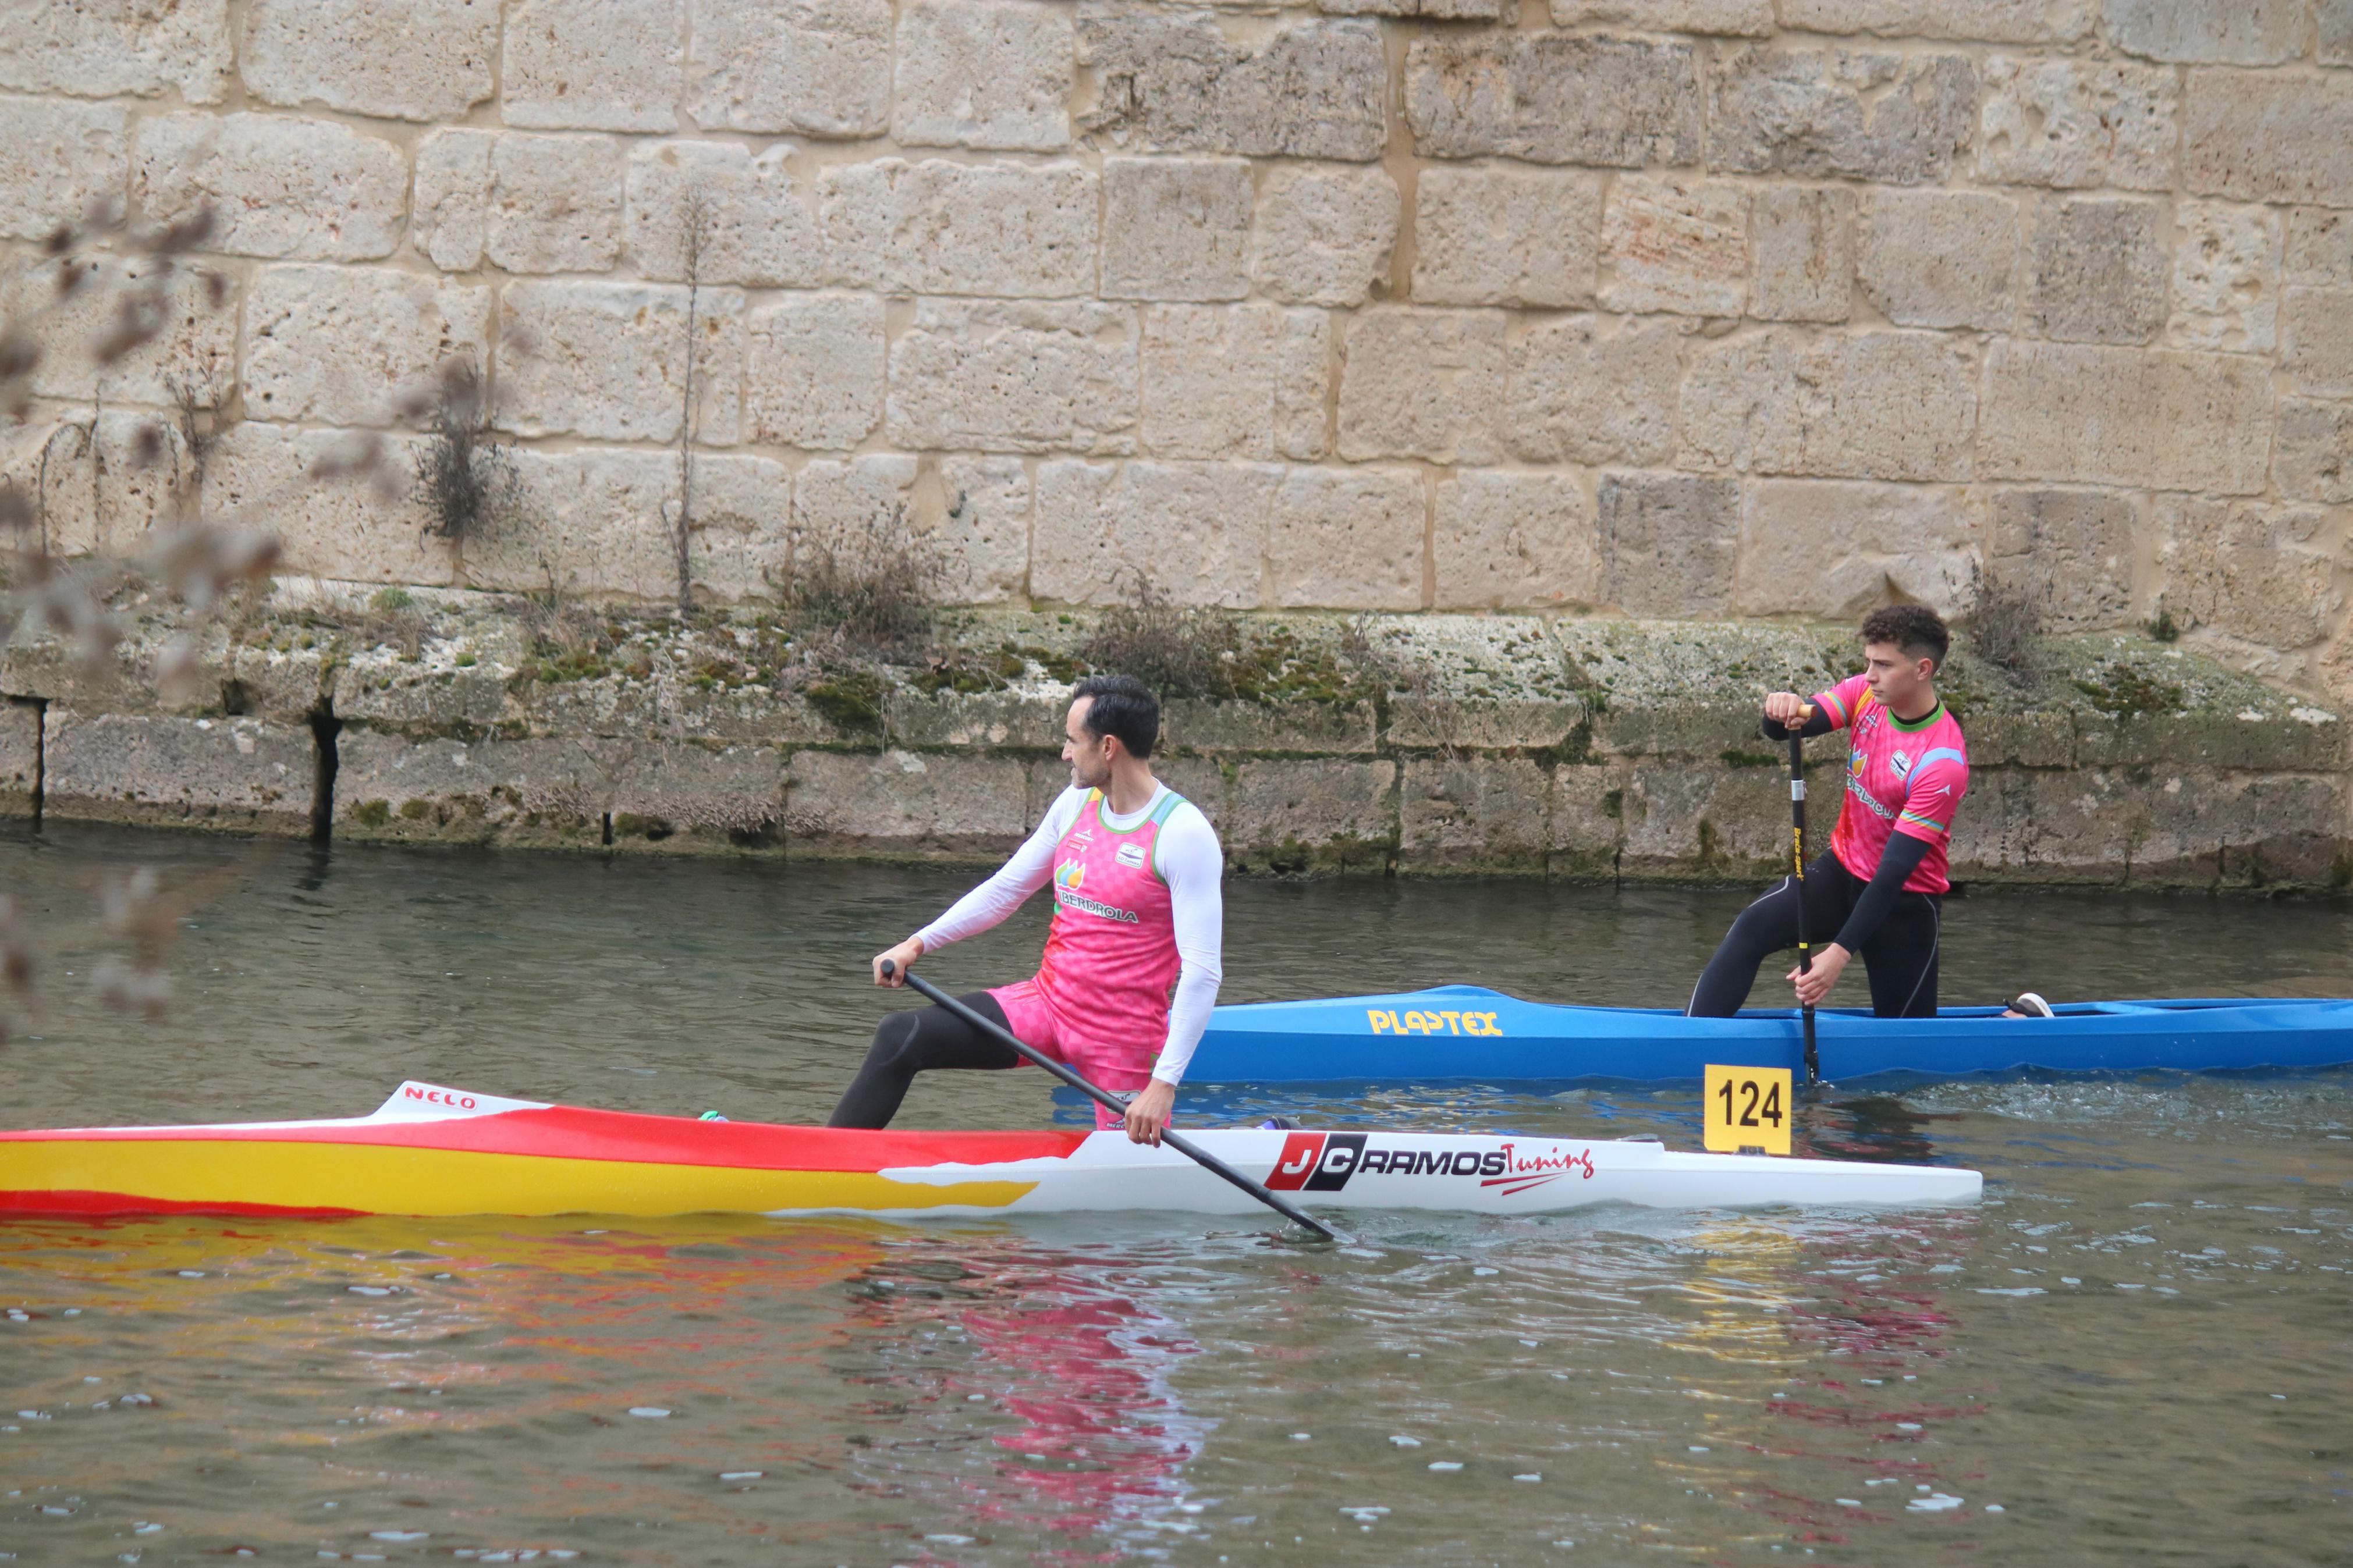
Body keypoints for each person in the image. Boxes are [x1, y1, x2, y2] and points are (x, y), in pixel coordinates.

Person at [831, 674, 1222, 1145]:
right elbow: (1005, 891)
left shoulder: (1182, 833)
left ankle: (1268, 1138)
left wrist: (1163, 1084)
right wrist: (918, 942)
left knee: (1137, 1181)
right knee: (901, 1036)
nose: (1064, 754)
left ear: (1109, 747)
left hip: (1122, 1040)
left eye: (1072, 741)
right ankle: (818, 1164)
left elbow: (1202, 972)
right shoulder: (1075, 805)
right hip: (1046, 1006)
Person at [1687, 605, 1969, 1020]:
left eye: (1883, 665)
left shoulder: (1941, 762)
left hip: (1903, 905)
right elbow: (1785, 729)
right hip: (1840, 873)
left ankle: (2019, 1019)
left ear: (1922, 669)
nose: (1869, 674)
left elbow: (1892, 873)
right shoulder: (1863, 695)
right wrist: (1778, 711)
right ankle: (1695, 1039)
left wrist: (1837, 955)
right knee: (1751, 927)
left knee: (1905, 1058)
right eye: (1868, 661)